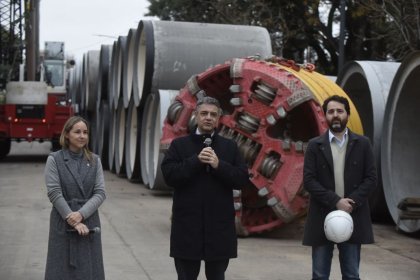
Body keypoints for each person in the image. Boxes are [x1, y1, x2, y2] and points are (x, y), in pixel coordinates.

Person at [161, 96, 249, 280]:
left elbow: (241, 179)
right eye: (204, 113)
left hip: (219, 230)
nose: (208, 118)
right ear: (196, 116)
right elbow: (170, 176)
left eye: (213, 115)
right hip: (187, 229)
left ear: (218, 119)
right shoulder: (179, 145)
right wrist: (195, 161)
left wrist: (219, 165)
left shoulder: (230, 147)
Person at [302, 95, 377, 280]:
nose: (335, 115)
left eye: (340, 111)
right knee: (319, 275)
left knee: (351, 274)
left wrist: (352, 202)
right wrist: (336, 201)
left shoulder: (363, 144)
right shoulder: (314, 145)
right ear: (325, 116)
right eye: (331, 111)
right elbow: (309, 180)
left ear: (347, 115)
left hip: (353, 214)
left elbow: (371, 178)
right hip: (322, 215)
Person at [44, 116, 106, 280]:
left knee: (89, 271)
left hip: (89, 222)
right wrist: (72, 218)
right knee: (61, 271)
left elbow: (100, 193)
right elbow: (54, 192)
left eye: (85, 132)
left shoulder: (95, 160)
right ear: (67, 135)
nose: (82, 136)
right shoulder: (54, 159)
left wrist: (81, 215)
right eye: (77, 132)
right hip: (63, 220)